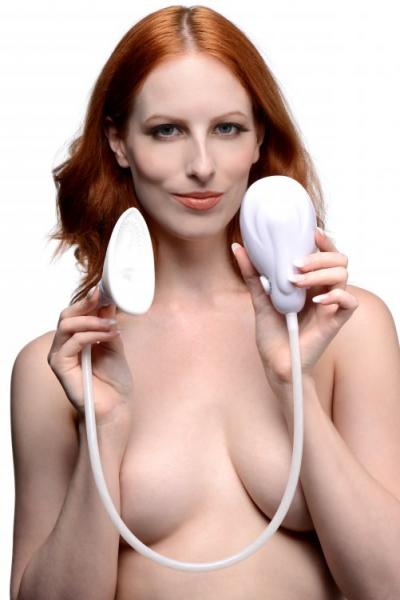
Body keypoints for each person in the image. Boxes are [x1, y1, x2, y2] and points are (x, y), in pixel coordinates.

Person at [10, 5, 400, 600]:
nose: (202, 166)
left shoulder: (346, 327)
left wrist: (293, 384)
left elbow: (389, 586)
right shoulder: (61, 365)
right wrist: (105, 430)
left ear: (259, 138)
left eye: (227, 128)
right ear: (119, 142)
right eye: (166, 130)